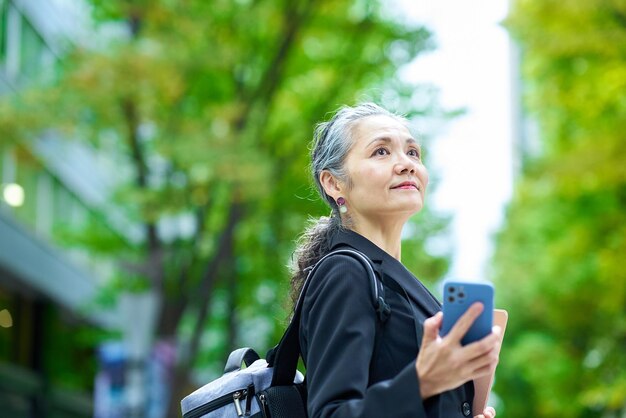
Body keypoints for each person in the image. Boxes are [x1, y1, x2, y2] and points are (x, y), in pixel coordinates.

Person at [289, 103, 501, 418]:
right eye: (381, 152)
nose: (406, 164)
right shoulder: (345, 272)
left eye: (413, 153)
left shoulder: (396, 281)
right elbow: (331, 413)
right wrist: (423, 382)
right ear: (334, 183)